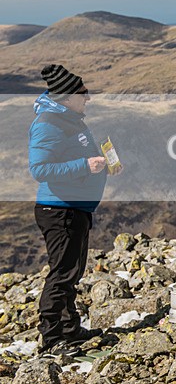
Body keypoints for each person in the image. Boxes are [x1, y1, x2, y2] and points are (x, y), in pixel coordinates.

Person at [29, 64, 111, 357]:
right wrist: (86, 166)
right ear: (66, 97)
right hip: (59, 210)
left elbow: (78, 154)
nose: (87, 97)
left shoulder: (72, 120)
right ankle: (51, 339)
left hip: (75, 208)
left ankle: (69, 328)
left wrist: (103, 163)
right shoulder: (48, 124)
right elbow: (39, 169)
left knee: (72, 271)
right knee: (62, 273)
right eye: (83, 92)